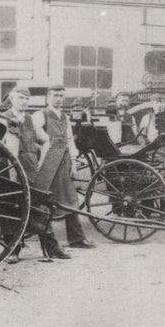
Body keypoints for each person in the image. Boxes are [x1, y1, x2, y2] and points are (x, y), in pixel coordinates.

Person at [1, 86, 70, 262]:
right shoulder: (3, 118)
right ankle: (13, 250)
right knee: (11, 207)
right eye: (20, 98)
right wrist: (10, 169)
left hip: (30, 168)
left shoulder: (31, 120)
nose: (24, 101)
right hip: (9, 169)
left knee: (39, 205)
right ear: (11, 99)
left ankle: (52, 247)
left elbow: (46, 140)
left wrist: (42, 161)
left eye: (26, 99)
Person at [32, 85, 96, 249]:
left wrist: (73, 161)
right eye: (56, 95)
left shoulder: (64, 117)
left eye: (61, 95)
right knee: (44, 200)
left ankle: (76, 239)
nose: (59, 98)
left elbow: (69, 140)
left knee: (69, 198)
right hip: (47, 163)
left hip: (64, 160)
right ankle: (43, 240)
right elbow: (35, 138)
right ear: (49, 96)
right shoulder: (41, 115)